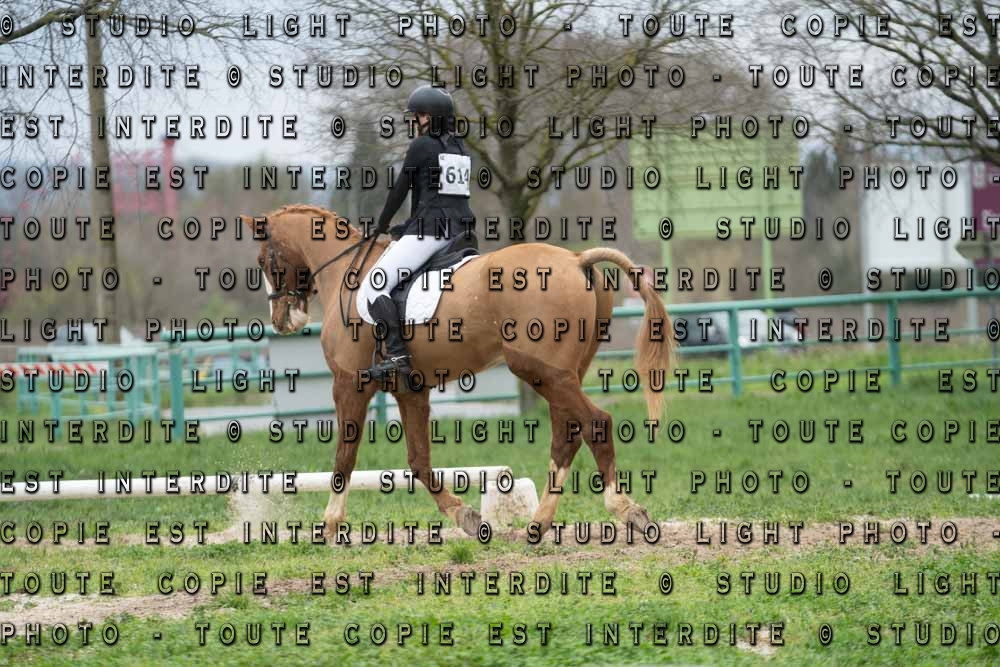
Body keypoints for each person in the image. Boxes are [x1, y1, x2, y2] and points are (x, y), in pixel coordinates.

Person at [359, 85, 475, 384]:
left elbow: (401, 189)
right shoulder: (459, 146)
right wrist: (408, 224)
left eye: (418, 115)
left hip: (432, 231)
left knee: (375, 285)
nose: (414, 121)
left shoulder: (423, 145)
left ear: (431, 117)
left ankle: (398, 355)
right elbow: (433, 193)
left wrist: (382, 225)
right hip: (461, 231)